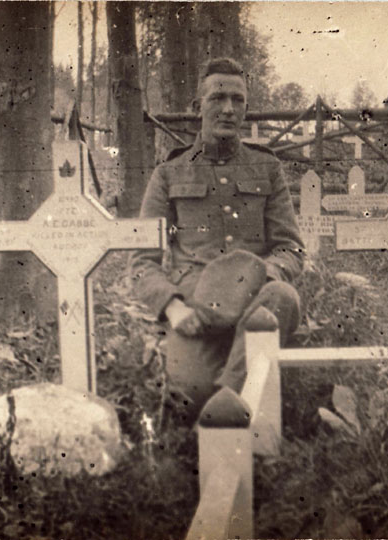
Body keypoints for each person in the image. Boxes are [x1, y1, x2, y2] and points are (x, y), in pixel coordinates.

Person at [130, 57, 304, 425]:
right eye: (217, 98)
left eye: (238, 100)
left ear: (246, 108)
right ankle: (232, 397)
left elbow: (290, 249)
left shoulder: (266, 168)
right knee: (189, 396)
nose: (228, 109)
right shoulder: (169, 173)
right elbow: (142, 262)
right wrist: (173, 309)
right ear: (198, 107)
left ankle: (225, 408)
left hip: (257, 302)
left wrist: (260, 276)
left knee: (284, 296)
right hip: (197, 312)